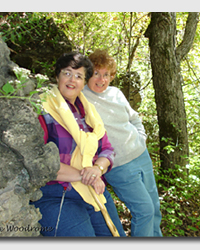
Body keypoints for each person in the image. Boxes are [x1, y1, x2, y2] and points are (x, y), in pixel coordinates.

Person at [31, 52, 126, 237]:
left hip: (92, 190)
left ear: (84, 83)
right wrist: (86, 176)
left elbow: (107, 149)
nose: (72, 80)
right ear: (57, 75)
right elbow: (38, 161)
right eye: (67, 73)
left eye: (79, 76)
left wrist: (97, 169)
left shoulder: (88, 112)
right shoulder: (42, 108)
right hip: (56, 193)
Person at [82, 49, 163, 237]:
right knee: (144, 210)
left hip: (141, 155)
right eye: (96, 73)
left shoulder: (116, 93)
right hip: (118, 166)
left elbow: (134, 118)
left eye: (106, 75)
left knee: (154, 208)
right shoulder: (82, 98)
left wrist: (141, 137)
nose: (101, 79)